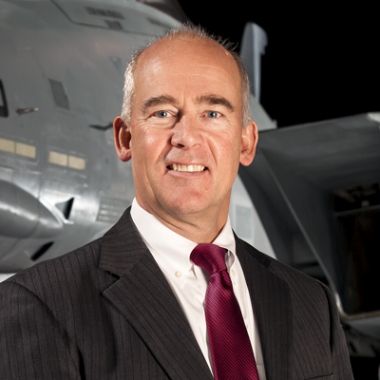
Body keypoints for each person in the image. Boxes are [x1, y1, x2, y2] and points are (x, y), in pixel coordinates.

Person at [0, 25, 353, 380]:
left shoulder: (311, 304)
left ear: (246, 143)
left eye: (213, 114)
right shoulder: (38, 305)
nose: (186, 137)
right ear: (125, 139)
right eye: (162, 113)